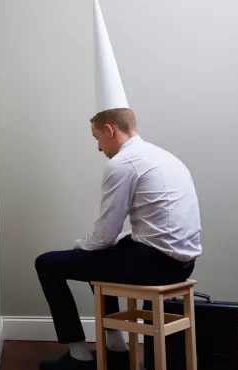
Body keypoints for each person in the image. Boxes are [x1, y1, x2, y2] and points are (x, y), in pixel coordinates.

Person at [34, 108, 201, 370]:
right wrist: (92, 247)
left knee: (46, 263)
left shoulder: (123, 163)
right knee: (100, 255)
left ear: (110, 130)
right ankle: (116, 346)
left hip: (154, 265)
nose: (99, 147)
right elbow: (151, 229)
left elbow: (104, 235)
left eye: (97, 137)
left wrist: (82, 245)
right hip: (183, 264)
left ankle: (78, 354)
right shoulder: (166, 157)